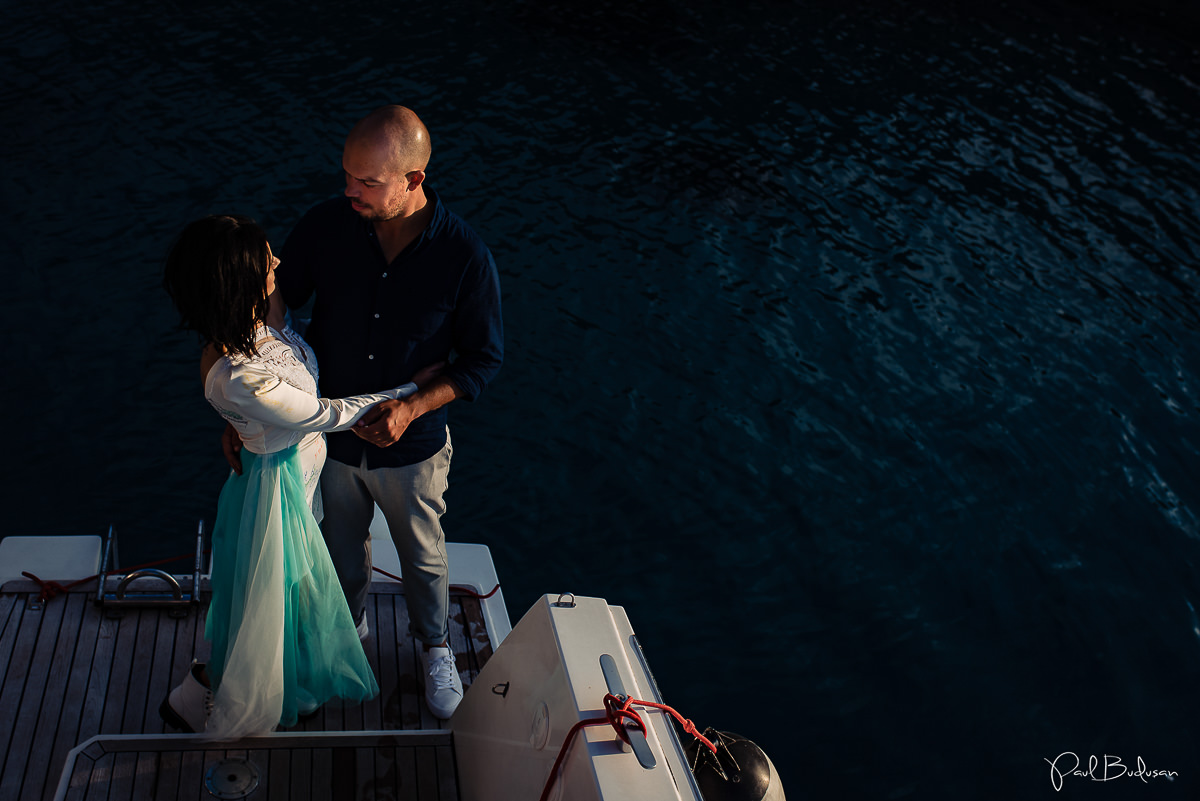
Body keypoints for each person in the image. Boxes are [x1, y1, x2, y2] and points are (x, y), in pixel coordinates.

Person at [225, 105, 503, 720]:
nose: (349, 190)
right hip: (327, 442)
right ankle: (342, 636)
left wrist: (412, 407)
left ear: (414, 180)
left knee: (423, 557)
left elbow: (482, 361)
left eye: (367, 182)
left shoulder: (464, 256)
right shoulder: (327, 225)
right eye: (347, 176)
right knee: (338, 550)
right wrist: (243, 412)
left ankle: (434, 648)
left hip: (413, 449)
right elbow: (271, 311)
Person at [161, 214, 442, 739]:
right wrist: (407, 390)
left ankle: (280, 687)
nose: (279, 262)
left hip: (300, 473)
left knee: (287, 598)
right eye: (267, 259)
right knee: (267, 604)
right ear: (239, 282)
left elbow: (302, 343)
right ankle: (203, 697)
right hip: (276, 487)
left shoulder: (266, 313)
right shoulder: (236, 373)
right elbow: (326, 415)